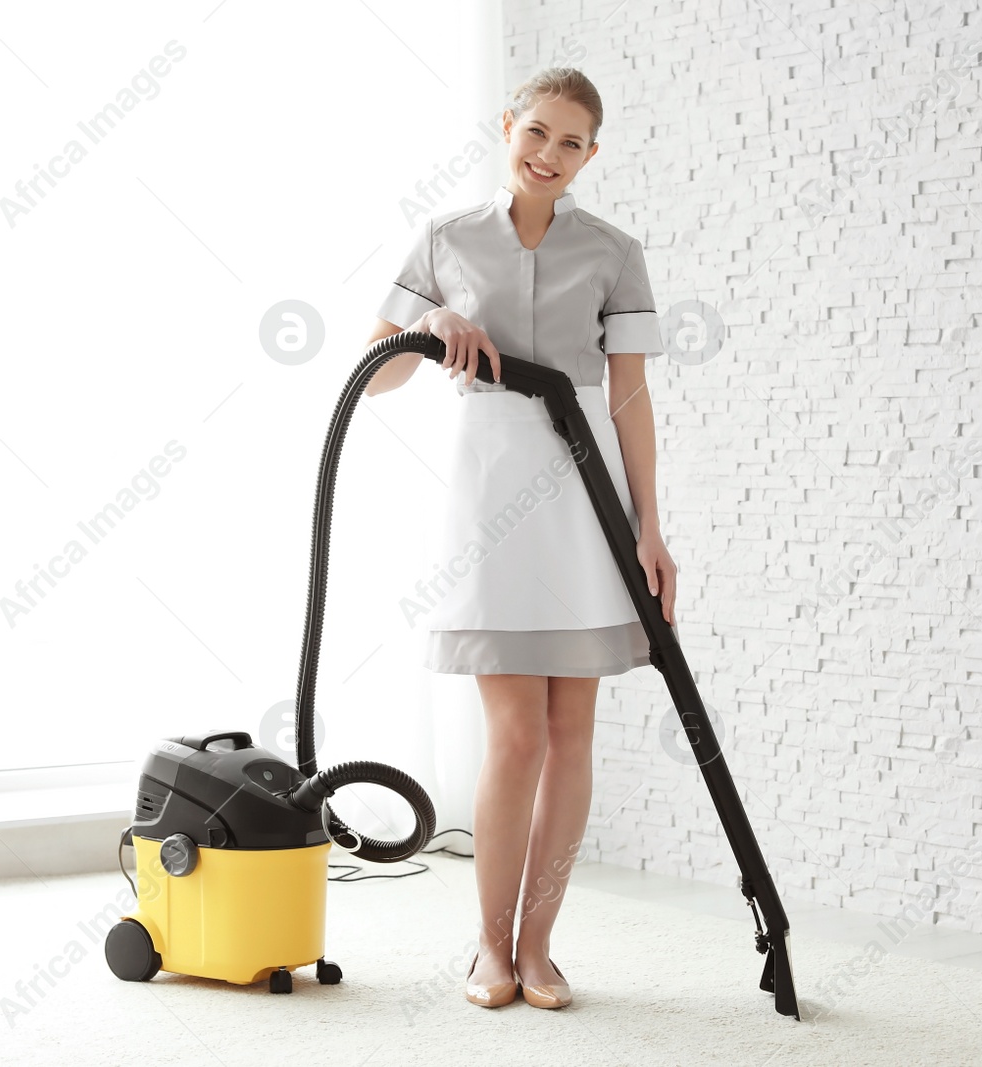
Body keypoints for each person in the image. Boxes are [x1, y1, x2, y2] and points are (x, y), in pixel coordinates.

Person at [363, 67, 679, 1010]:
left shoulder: (616, 252)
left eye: (571, 143)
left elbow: (629, 396)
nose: (548, 155)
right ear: (507, 127)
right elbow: (372, 377)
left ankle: (538, 946)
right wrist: (428, 322)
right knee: (514, 737)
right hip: (491, 482)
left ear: (592, 154)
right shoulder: (443, 238)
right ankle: (487, 949)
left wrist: (651, 527)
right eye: (536, 132)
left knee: (570, 730)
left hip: (587, 489)